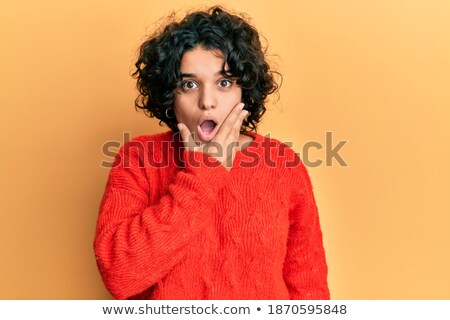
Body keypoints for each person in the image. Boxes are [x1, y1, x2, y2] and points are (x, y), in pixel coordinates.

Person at [94, 5, 330, 300]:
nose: (207, 101)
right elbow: (119, 276)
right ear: (169, 95)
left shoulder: (284, 166)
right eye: (189, 84)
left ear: (245, 90)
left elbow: (308, 287)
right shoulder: (138, 158)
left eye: (224, 82)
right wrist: (204, 171)